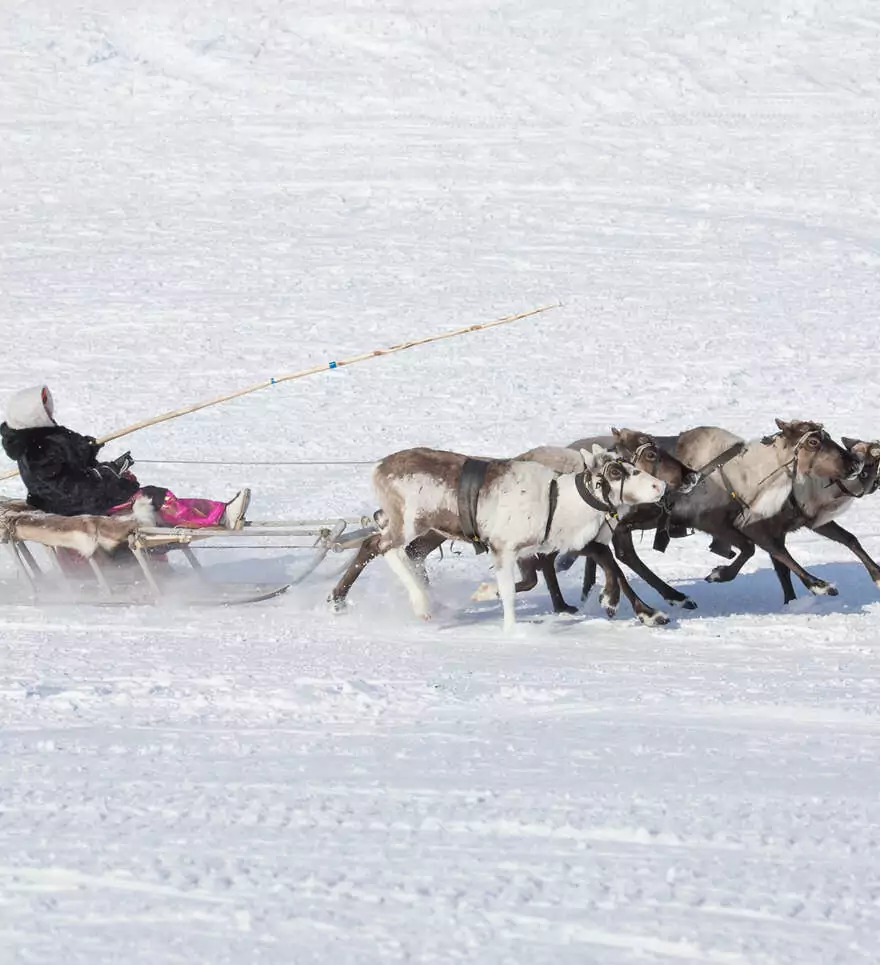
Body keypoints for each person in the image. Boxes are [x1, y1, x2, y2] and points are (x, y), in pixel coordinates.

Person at [0, 385, 250, 529]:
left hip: (73, 501)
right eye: (44, 408)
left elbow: (71, 471)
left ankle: (159, 572)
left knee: (140, 494)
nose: (50, 410)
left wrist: (90, 455)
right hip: (76, 506)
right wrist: (111, 476)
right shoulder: (39, 451)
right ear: (33, 415)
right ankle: (220, 516)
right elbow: (72, 489)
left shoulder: (38, 440)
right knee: (155, 498)